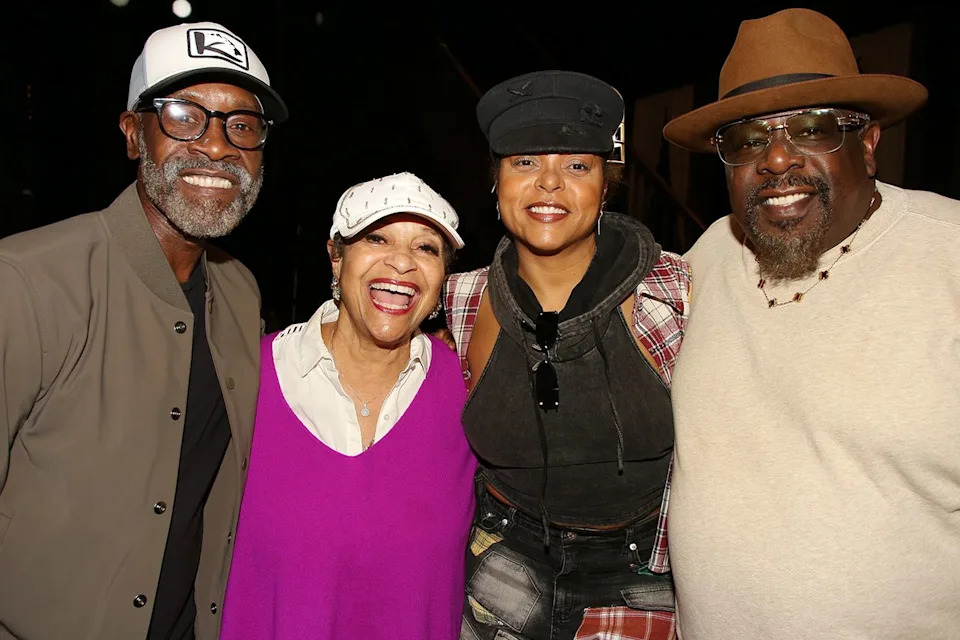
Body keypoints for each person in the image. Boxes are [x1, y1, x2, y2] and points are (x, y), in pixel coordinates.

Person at [662, 8, 959, 639]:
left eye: (812, 128)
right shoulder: (705, 260)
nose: (775, 158)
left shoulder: (949, 260)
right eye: (746, 139)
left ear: (869, 142)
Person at [0, 21, 286, 640]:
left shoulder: (241, 294)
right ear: (134, 134)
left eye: (242, 125)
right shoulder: (23, 282)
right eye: (185, 116)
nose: (216, 148)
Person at [447, 70, 689, 640]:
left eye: (576, 166)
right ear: (496, 181)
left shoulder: (675, 293)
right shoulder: (459, 299)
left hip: (642, 575)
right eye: (525, 163)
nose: (548, 184)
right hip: (499, 564)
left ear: (607, 185)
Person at [220, 172, 477, 640]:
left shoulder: (466, 391)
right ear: (336, 258)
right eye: (376, 237)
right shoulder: (251, 375)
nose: (401, 262)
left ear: (444, 277)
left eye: (426, 248)